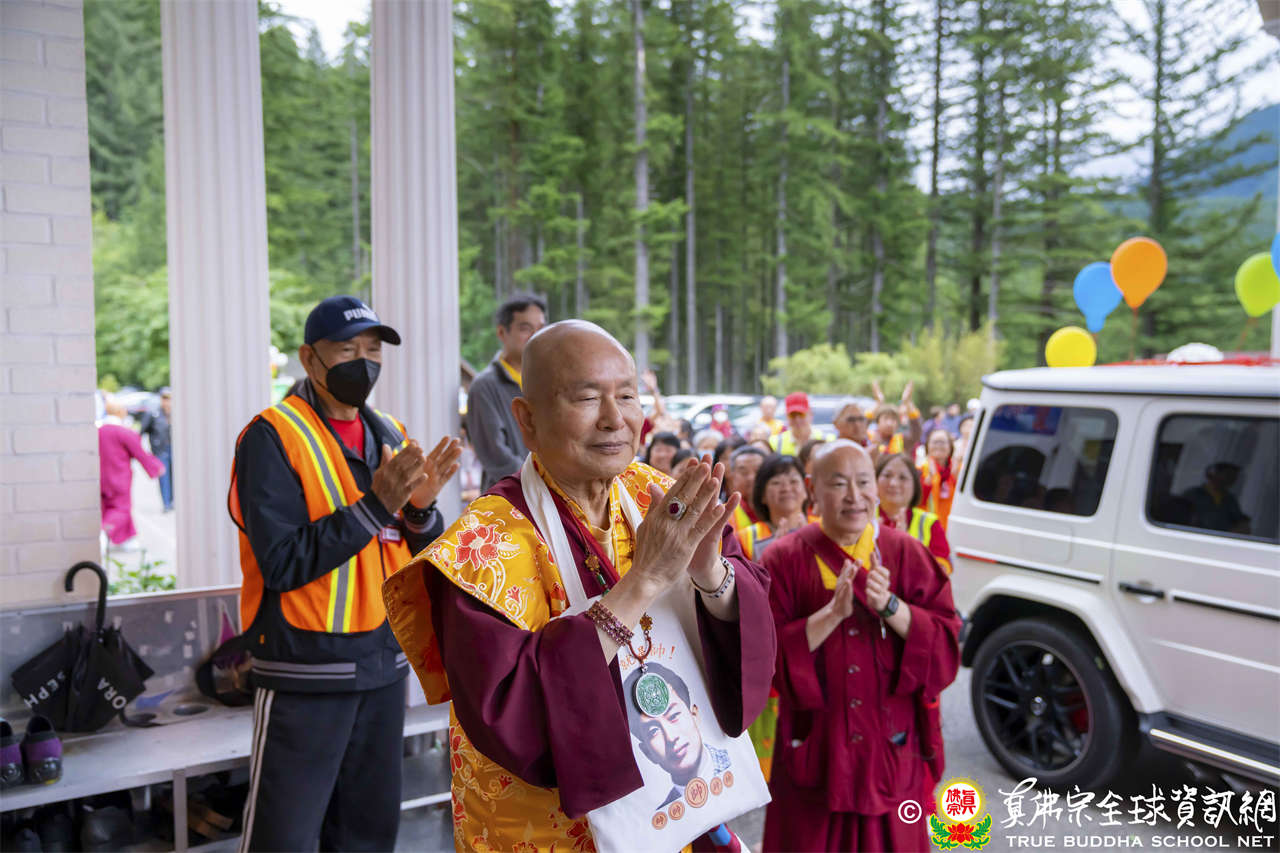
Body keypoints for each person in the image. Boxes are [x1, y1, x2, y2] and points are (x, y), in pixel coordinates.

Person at [382, 320, 775, 851]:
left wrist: (709, 575)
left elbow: (747, 619)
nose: (615, 419)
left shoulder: (661, 497)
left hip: (673, 816)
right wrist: (644, 581)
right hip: (545, 833)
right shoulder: (480, 549)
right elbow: (507, 711)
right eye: (588, 398)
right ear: (526, 419)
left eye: (627, 396)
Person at [229, 295, 462, 852]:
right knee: (283, 840)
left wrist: (421, 512)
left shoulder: (392, 435)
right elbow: (282, 562)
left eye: (373, 350)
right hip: (305, 670)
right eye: (347, 349)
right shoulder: (271, 436)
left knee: (368, 835)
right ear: (310, 359)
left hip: (383, 667)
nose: (364, 362)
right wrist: (377, 505)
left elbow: (421, 551)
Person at [762, 441, 961, 852]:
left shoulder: (906, 552)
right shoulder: (783, 559)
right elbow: (762, 659)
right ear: (813, 490)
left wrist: (892, 607)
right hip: (818, 748)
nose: (855, 496)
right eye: (839, 484)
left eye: (864, 482)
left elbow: (945, 643)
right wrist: (830, 615)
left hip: (889, 747)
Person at [623, 662, 732, 811]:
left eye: (674, 716)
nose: (670, 737)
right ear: (647, 752)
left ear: (694, 715)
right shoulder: (664, 812)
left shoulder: (736, 766)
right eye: (653, 731)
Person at [467, 292, 548, 491]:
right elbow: (495, 455)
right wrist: (545, 485)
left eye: (540, 328)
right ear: (502, 332)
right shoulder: (484, 386)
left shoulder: (549, 379)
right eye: (525, 328)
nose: (535, 336)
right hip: (510, 497)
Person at [99, 397, 165, 548]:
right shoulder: (124, 432)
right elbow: (140, 452)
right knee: (121, 508)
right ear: (121, 412)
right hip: (119, 477)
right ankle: (104, 532)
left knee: (107, 506)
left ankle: (126, 539)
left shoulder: (98, 431)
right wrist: (156, 467)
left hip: (101, 476)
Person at [877, 452, 952, 574]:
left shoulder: (929, 523)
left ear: (915, 485)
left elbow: (940, 572)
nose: (893, 483)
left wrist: (907, 546)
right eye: (887, 475)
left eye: (902, 478)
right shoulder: (862, 517)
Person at [736, 455, 810, 562]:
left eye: (793, 481)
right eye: (776, 483)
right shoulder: (745, 539)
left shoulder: (822, 528)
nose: (786, 488)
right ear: (762, 495)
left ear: (806, 490)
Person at [1181, 462, 1251, 534]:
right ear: (1214, 474)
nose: (1231, 479)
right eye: (1228, 475)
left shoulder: (1230, 499)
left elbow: (1239, 520)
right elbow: (1181, 516)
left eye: (1234, 477)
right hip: (1195, 535)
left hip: (1219, 538)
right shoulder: (1193, 494)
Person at [138, 388, 173, 511]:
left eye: (169, 398)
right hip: (160, 450)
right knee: (164, 477)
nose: (167, 401)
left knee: (174, 476)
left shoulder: (175, 413)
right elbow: (142, 431)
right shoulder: (154, 414)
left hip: (173, 449)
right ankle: (166, 503)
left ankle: (173, 500)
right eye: (165, 398)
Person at [918, 428, 958, 530]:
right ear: (927, 446)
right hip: (928, 528)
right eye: (935, 442)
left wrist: (956, 478)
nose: (938, 445)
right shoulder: (920, 470)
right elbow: (917, 501)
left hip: (952, 528)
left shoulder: (957, 471)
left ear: (950, 447)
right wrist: (929, 479)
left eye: (942, 442)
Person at [725, 446, 768, 533]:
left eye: (758, 471)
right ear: (732, 477)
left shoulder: (781, 508)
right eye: (744, 472)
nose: (751, 478)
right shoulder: (723, 514)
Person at [770, 392, 821, 456]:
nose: (797, 420)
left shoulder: (826, 440)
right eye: (792, 415)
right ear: (787, 416)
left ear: (810, 414)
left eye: (801, 414)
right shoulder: (774, 443)